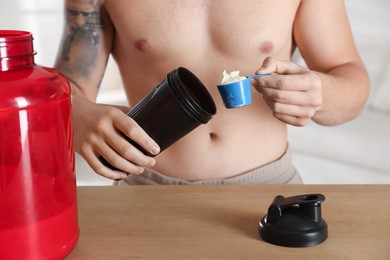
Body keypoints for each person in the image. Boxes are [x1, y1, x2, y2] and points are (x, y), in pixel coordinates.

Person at [55, 0, 370, 185]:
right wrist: (75, 111)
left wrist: (322, 93)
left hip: (268, 188)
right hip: (147, 189)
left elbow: (349, 78)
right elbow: (68, 86)